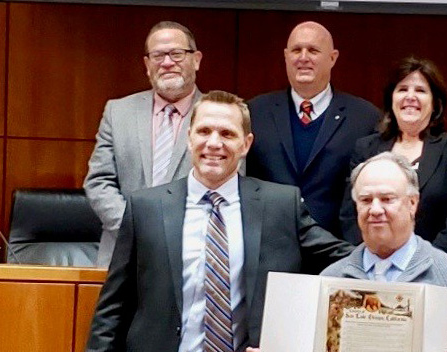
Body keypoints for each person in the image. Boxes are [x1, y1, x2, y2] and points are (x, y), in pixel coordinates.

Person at [86, 91, 355, 352]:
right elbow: (113, 308)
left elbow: (345, 261)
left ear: (246, 144)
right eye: (204, 131)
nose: (214, 143)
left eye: (227, 134)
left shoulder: (281, 206)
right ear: (189, 138)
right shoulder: (146, 208)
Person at [324, 152, 447, 352]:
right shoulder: (331, 279)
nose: (375, 209)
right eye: (366, 200)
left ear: (412, 203)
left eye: (387, 199)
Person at [246, 21, 381, 244]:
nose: (303, 57)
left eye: (313, 50)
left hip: (337, 250)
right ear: (286, 56)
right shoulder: (255, 112)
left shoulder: (365, 117)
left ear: (333, 58)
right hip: (268, 246)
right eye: (297, 50)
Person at [84, 21, 205, 268]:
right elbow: (98, 182)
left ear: (196, 60)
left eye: (177, 54)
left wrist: (169, 236)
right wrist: (135, 230)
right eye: (158, 55)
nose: (167, 62)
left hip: (191, 258)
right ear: (147, 65)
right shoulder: (118, 112)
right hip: (122, 255)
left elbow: (228, 187)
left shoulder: (220, 114)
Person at [338, 57, 447, 260]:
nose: (410, 97)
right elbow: (351, 212)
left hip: (435, 268)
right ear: (391, 99)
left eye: (420, 90)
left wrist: (422, 263)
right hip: (373, 267)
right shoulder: (366, 148)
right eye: (402, 90)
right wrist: (371, 257)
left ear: (435, 102)